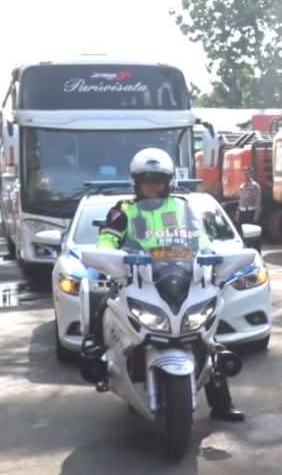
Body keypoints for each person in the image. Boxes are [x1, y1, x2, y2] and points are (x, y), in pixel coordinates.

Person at [88, 148, 245, 422]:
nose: (152, 185)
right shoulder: (123, 210)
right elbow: (107, 240)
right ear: (135, 182)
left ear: (169, 181)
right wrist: (112, 257)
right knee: (103, 303)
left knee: (206, 336)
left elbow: (201, 239)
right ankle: (97, 358)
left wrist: (208, 256)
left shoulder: (182, 207)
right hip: (138, 277)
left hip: (179, 277)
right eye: (146, 179)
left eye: (158, 179)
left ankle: (222, 403)